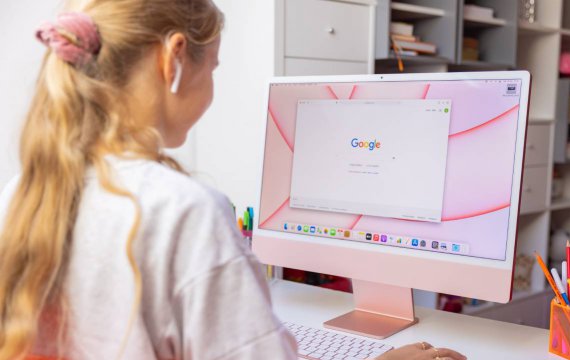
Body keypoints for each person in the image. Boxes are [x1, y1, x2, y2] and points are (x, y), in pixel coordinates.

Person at [0, 1, 467, 359]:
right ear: (175, 58)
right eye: (214, 67)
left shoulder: (24, 192)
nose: (213, 84)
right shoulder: (184, 209)